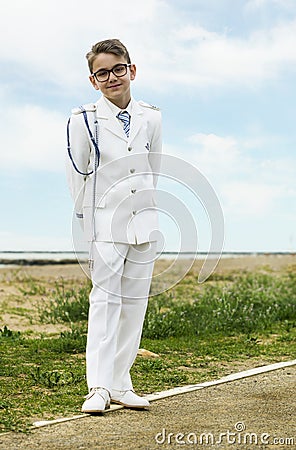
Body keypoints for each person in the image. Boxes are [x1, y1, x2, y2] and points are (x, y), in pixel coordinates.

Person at [66, 38, 162, 413]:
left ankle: (121, 383)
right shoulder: (83, 120)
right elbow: (78, 181)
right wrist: (86, 230)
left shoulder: (152, 116)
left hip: (144, 223)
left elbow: (154, 168)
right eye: (102, 73)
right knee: (104, 303)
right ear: (93, 80)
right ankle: (99, 388)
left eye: (118, 69)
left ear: (131, 70)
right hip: (104, 225)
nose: (112, 78)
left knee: (134, 306)